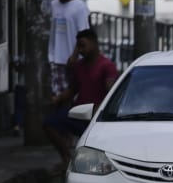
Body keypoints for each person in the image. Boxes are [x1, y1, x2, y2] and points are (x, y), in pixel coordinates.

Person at [44, 29, 118, 171]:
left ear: (94, 44)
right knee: (49, 123)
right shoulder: (79, 66)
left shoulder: (106, 65)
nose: (81, 50)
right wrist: (58, 98)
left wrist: (101, 108)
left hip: (96, 118)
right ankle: (67, 158)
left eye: (83, 46)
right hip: (78, 114)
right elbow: (73, 89)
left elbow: (112, 93)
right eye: (78, 46)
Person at [48, 0, 90, 104]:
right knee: (58, 98)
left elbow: (83, 34)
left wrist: (74, 55)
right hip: (55, 60)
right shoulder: (52, 5)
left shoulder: (79, 6)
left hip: (73, 60)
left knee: (74, 98)